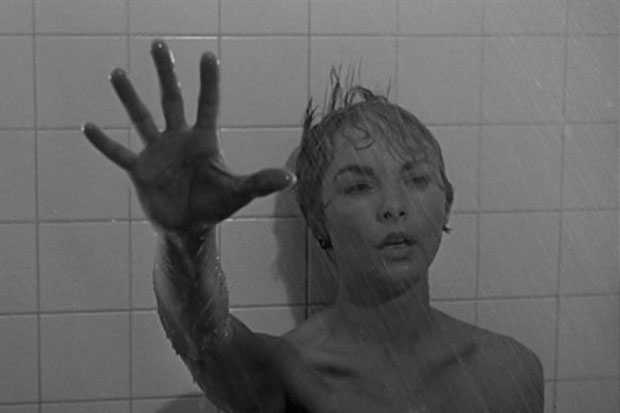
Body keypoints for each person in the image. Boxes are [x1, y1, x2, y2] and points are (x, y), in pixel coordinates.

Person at [83, 40, 544, 413]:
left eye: (418, 179)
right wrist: (187, 238)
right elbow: (201, 338)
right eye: (359, 186)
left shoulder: (509, 371)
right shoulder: (291, 376)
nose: (394, 206)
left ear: (448, 204)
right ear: (318, 219)